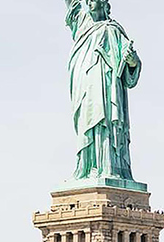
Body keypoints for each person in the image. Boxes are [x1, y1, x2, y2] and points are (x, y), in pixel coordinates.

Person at [62, 0, 142, 182]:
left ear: (105, 5)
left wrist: (132, 60)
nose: (90, 3)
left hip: (107, 86)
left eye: (94, 0)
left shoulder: (114, 30)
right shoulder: (82, 23)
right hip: (85, 87)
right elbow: (72, 4)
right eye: (88, 1)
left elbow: (132, 64)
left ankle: (109, 167)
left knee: (106, 122)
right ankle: (86, 167)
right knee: (87, 123)